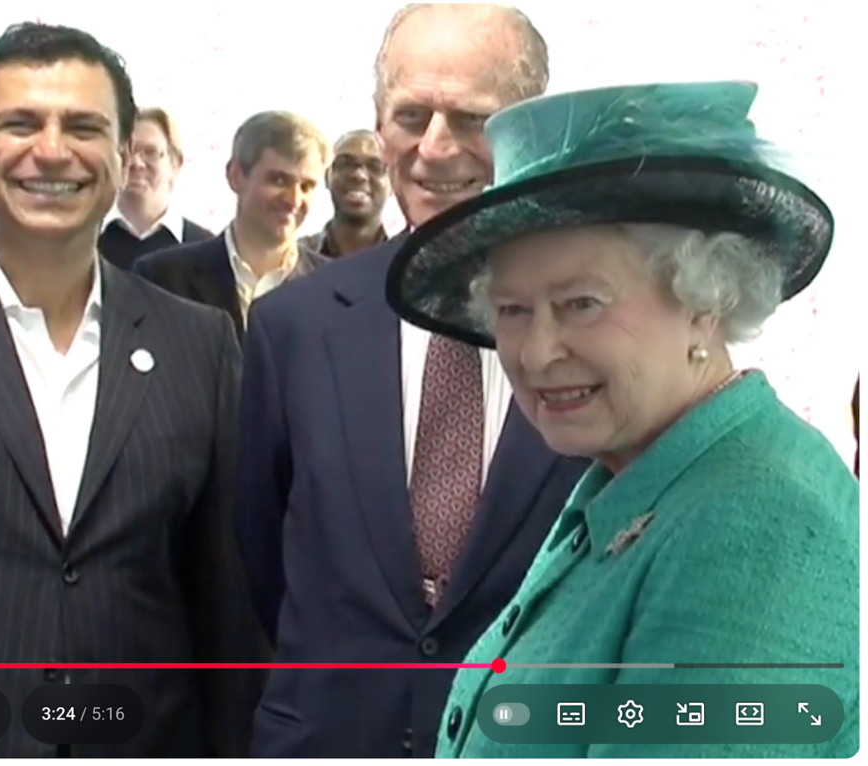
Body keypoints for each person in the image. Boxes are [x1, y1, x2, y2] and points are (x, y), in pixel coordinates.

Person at [384, 80, 859, 758]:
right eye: (513, 311)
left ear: (706, 299)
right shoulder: (638, 475)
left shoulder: (760, 522)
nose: (538, 353)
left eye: (581, 303)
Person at [0, 22, 265, 758]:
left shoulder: (199, 345)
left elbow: (227, 608)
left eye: (83, 127)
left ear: (122, 157)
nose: (51, 150)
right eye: (20, 124)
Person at [235, 4, 588, 758]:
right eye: (411, 116)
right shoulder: (293, 327)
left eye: (471, 118)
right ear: (378, 126)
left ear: (534, 129)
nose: (435, 147)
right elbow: (260, 560)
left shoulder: (600, 333)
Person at [134, 110, 330, 342]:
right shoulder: (161, 277)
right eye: (279, 180)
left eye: (307, 186)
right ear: (235, 175)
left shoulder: (334, 288)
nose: (294, 200)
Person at [99, 107, 214, 270]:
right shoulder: (85, 240)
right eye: (127, 151)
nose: (136, 163)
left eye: (150, 152)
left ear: (175, 164)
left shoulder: (207, 250)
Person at [298, 129, 390, 257]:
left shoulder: (409, 260)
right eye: (345, 164)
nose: (359, 175)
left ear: (393, 184)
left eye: (375, 166)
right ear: (327, 177)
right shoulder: (294, 259)